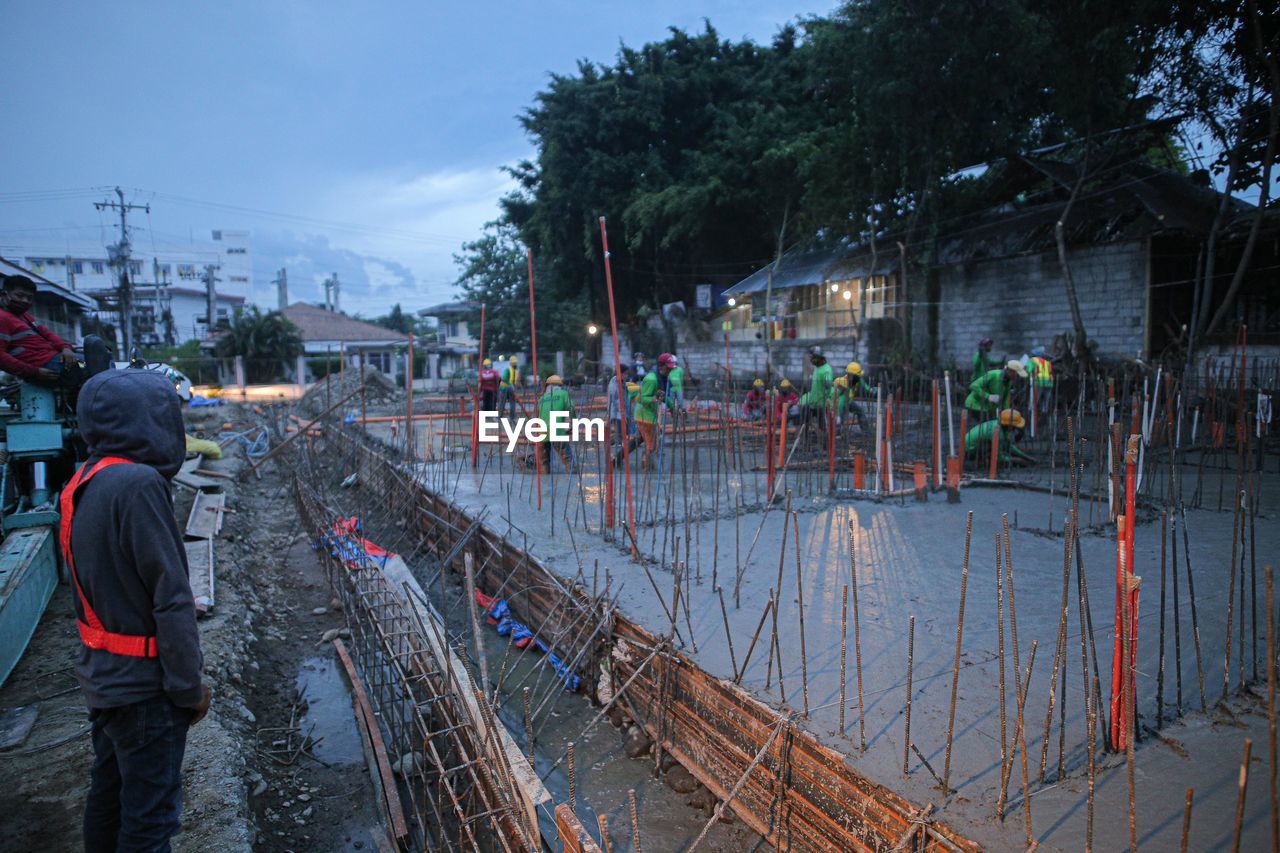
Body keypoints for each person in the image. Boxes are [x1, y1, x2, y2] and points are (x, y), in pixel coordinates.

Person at [67, 369, 210, 852]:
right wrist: (188, 688)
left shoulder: (86, 480)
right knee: (150, 822)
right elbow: (171, 598)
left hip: (105, 678)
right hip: (145, 688)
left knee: (110, 797)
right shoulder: (140, 484)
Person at [0, 274, 79, 385]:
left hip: (57, 359)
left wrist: (66, 348)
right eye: (20, 296)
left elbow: (48, 334)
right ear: (4, 294)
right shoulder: (2, 317)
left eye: (29, 298)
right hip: (48, 365)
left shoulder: (24, 316)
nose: (25, 301)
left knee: (92, 361)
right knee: (89, 365)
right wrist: (33, 372)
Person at [633, 353, 676, 469]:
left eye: (672, 368)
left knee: (652, 442)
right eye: (669, 368)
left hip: (651, 414)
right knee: (651, 444)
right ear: (662, 367)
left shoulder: (662, 378)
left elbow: (664, 395)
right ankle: (647, 466)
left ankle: (647, 463)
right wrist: (654, 398)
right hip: (644, 415)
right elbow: (640, 398)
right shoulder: (652, 379)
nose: (671, 371)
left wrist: (672, 407)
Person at [963, 408, 1037, 465]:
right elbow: (999, 458)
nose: (1016, 429)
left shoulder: (999, 425)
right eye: (1015, 427)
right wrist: (1016, 460)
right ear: (1008, 425)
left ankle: (984, 459)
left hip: (972, 446)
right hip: (969, 451)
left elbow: (1008, 446)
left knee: (999, 446)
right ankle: (982, 461)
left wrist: (1026, 457)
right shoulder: (997, 433)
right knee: (996, 450)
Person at [537, 374, 576, 471]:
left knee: (544, 463)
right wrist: (571, 426)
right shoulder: (563, 394)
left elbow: (539, 415)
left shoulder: (541, 399)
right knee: (568, 462)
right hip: (557, 430)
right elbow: (571, 409)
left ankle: (544, 477)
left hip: (543, 433)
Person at [798, 346, 833, 429]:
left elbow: (828, 385)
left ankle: (824, 439)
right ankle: (805, 439)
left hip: (821, 404)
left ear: (819, 358)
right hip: (813, 402)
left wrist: (826, 382)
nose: (811, 360)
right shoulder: (817, 368)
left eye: (813, 358)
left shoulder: (826, 370)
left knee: (822, 426)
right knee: (804, 421)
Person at [836, 362, 873, 431]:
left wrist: (871, 390)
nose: (859, 376)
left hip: (849, 401)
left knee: (860, 411)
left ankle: (866, 431)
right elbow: (837, 399)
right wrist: (838, 415)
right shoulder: (842, 382)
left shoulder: (857, 380)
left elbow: (864, 386)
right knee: (839, 420)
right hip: (840, 403)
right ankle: (837, 433)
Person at [606, 364, 632, 443]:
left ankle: (615, 442)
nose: (626, 376)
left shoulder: (622, 382)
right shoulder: (614, 384)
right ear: (620, 373)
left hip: (622, 411)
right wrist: (622, 410)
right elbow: (616, 399)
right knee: (619, 430)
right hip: (617, 412)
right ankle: (618, 445)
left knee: (625, 430)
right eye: (625, 373)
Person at [1027, 346, 1054, 415]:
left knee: (1034, 399)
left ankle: (1031, 414)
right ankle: (1044, 414)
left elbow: (1029, 371)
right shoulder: (1047, 362)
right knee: (1046, 401)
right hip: (1049, 382)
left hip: (1039, 381)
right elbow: (1050, 372)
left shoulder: (1032, 360)